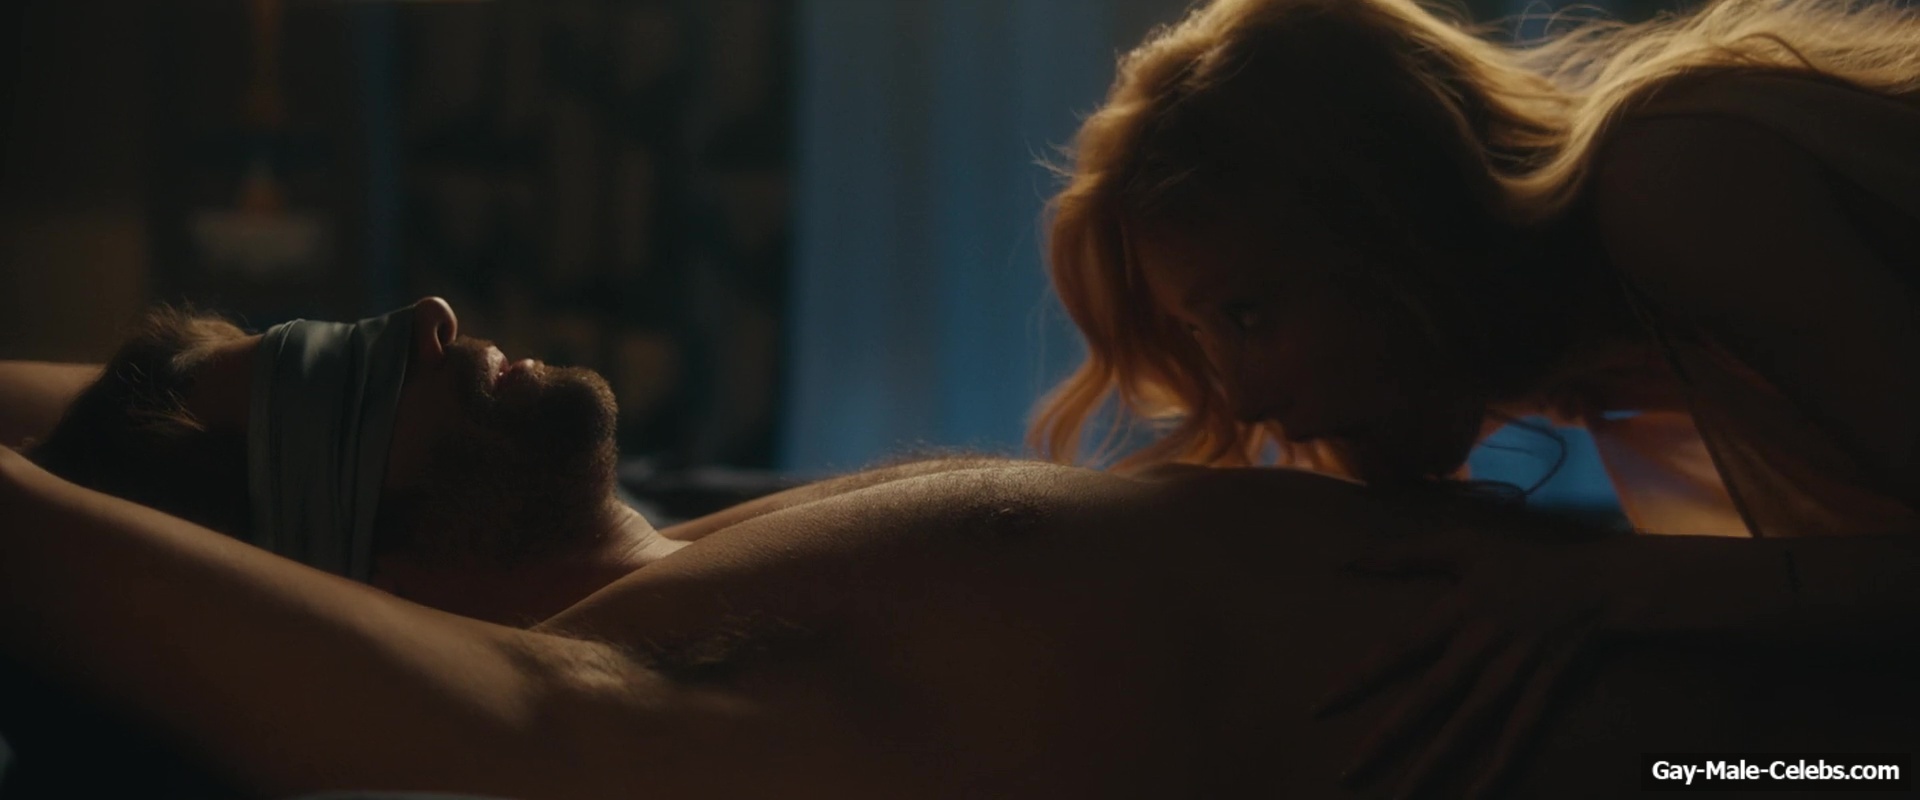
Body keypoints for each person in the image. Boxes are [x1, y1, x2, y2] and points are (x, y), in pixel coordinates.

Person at [2, 298, 1916, 799]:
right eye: (339, 383)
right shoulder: (644, 703)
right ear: (314, 575)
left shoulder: (726, 555)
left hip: (1759, 622)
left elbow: (69, 414)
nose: (420, 315)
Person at [1027, 0, 1920, 791]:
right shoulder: (1609, 365)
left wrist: (1607, 586)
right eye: (1199, 336)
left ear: (1388, 220)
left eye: (1247, 313)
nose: (1244, 397)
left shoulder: (1679, 182)